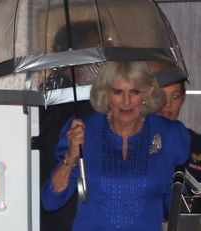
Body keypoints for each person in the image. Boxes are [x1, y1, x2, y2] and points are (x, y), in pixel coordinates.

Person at [41, 61, 190, 230]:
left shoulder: (169, 133)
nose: (126, 102)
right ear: (106, 95)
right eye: (118, 92)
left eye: (134, 92)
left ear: (146, 95)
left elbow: (178, 206)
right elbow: (50, 202)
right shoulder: (82, 130)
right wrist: (70, 157)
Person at [159, 80, 201, 182]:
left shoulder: (197, 144)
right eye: (161, 95)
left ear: (183, 98)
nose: (168, 104)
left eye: (175, 96)